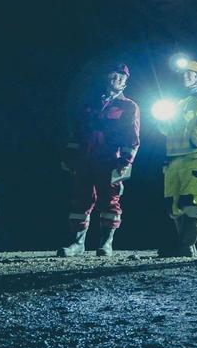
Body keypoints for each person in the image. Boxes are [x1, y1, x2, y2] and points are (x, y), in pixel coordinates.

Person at [58, 64, 140, 257]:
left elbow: (133, 138)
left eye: (122, 77)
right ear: (107, 77)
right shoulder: (90, 104)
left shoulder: (129, 106)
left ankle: (106, 243)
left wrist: (126, 162)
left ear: (126, 81)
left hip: (112, 161)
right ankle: (77, 244)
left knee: (111, 201)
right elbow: (77, 133)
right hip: (85, 159)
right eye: (114, 75)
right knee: (80, 200)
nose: (117, 79)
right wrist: (69, 156)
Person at [156, 59, 197, 258]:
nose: (186, 76)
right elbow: (164, 129)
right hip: (173, 159)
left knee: (191, 203)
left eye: (190, 73)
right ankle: (180, 244)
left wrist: (194, 140)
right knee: (174, 206)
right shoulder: (173, 101)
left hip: (194, 157)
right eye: (183, 73)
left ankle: (187, 246)